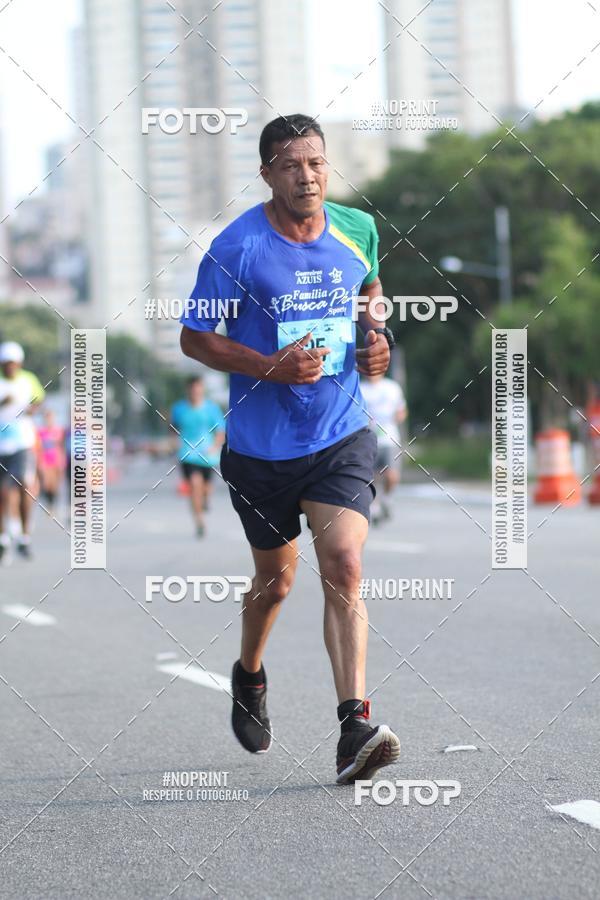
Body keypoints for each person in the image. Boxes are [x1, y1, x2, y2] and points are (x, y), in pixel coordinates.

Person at [180, 114, 401, 784]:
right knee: (276, 584)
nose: (307, 176)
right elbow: (194, 338)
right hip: (261, 449)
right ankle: (249, 674)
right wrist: (266, 367)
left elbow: (369, 292)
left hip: (339, 433)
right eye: (291, 165)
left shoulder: (357, 229)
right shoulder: (237, 247)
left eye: (316, 163)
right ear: (267, 174)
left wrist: (376, 340)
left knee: (344, 565)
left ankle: (354, 726)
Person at [0, 342, 45, 560]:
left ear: (19, 363)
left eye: (13, 363)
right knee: (3, 492)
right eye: (6, 364)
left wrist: (32, 408)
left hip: (23, 443)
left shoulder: (28, 380)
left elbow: (39, 401)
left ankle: (25, 537)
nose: (10, 367)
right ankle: (3, 538)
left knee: (26, 486)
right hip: (2, 445)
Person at [170, 376, 225, 537]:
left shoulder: (212, 408)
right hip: (187, 454)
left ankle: (205, 498)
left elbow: (220, 431)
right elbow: (173, 428)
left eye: (198, 388)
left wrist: (215, 447)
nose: (195, 391)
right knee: (195, 485)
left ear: (202, 389)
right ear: (188, 390)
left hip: (208, 454)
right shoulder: (179, 408)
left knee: (206, 488)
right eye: (192, 389)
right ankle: (199, 521)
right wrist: (174, 444)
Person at [361, 373, 407, 523]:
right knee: (371, 477)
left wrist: (396, 417)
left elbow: (402, 410)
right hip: (368, 439)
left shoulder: (392, 387)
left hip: (389, 438)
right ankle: (374, 507)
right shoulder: (361, 388)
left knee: (392, 475)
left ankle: (386, 499)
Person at [37, 409, 66, 513]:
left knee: (55, 485)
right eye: (47, 418)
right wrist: (39, 462)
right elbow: (38, 448)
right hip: (45, 461)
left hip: (56, 461)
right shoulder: (40, 431)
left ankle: (53, 505)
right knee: (46, 484)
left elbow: (62, 447)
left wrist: (62, 461)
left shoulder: (59, 431)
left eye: (51, 418)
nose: (49, 420)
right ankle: (48, 503)